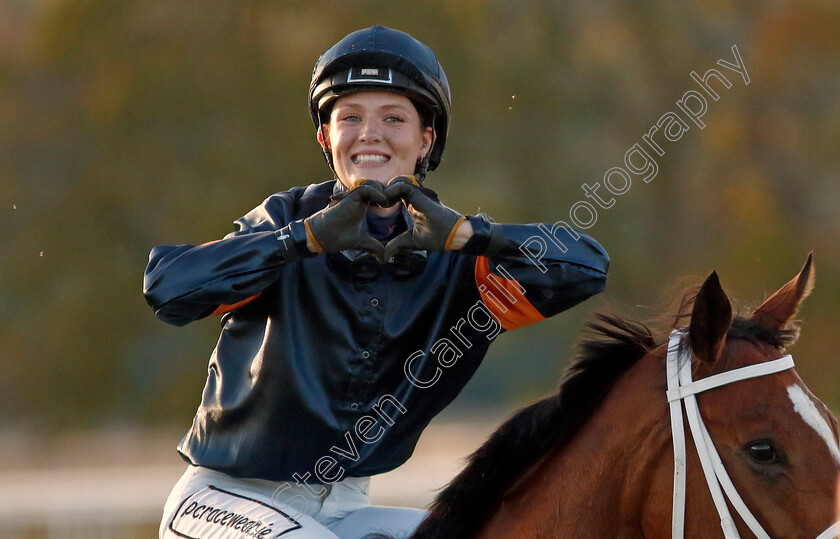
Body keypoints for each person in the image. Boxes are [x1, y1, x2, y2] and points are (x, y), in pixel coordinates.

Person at [144, 25, 609, 539]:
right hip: (220, 498)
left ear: (425, 139)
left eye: (393, 118)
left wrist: (472, 235)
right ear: (326, 137)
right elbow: (167, 288)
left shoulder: (463, 261)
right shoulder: (283, 219)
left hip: (344, 507)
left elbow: (586, 269)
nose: (370, 134)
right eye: (351, 118)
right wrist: (303, 241)